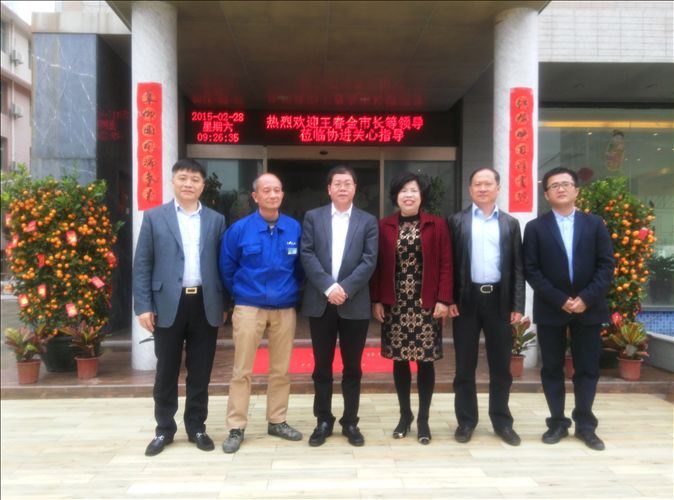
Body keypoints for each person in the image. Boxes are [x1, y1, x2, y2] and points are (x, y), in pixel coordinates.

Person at [133, 158, 227, 457]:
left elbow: (224, 265)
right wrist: (143, 306)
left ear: (203, 185)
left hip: (205, 303)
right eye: (183, 178)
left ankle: (197, 426)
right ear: (173, 181)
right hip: (166, 304)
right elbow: (142, 264)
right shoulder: (154, 217)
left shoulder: (216, 220)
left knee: (201, 371)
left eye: (195, 180)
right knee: (166, 370)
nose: (189, 184)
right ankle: (164, 428)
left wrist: (225, 303)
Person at [523, 167, 614, 451]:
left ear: (576, 190)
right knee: (551, 368)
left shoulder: (594, 224)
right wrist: (560, 299)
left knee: (587, 368)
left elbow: (606, 265)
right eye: (554, 186)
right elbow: (531, 269)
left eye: (565, 184)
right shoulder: (536, 228)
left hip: (589, 308)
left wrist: (586, 298)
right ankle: (557, 423)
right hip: (552, 307)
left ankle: (585, 425)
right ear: (546, 194)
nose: (560, 189)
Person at [218, 173, 304, 453]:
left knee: (281, 369)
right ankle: (236, 426)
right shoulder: (239, 230)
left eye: (277, 190)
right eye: (266, 190)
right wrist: (242, 294)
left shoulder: (293, 228)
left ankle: (277, 420)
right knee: (242, 370)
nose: (272, 194)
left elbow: (301, 269)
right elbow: (227, 269)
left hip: (284, 308)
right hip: (249, 307)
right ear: (255, 196)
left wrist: (290, 293)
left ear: (282, 194)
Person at [370, 172, 453, 445]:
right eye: (403, 190)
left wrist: (443, 299)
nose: (408, 195)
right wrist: (376, 299)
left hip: (426, 304)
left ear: (421, 195)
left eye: (414, 190)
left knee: (425, 362)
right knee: (400, 360)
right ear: (396, 196)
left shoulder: (436, 225)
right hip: (395, 304)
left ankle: (424, 419)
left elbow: (446, 263)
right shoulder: (384, 225)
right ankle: (405, 415)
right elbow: (377, 266)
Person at [300, 165, 378, 447]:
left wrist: (344, 289)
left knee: (352, 367)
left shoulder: (368, 221)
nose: (342, 187)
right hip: (321, 302)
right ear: (329, 189)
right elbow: (306, 254)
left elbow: (369, 260)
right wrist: (329, 287)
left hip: (353, 303)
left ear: (355, 188)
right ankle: (323, 420)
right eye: (337, 183)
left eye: (348, 183)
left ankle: (350, 421)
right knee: (322, 366)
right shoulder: (313, 217)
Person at [447, 167, 525, 447]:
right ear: (470, 190)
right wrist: (449, 299)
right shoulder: (456, 221)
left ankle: (502, 422)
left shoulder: (510, 224)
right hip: (466, 301)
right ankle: (466, 421)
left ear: (498, 188)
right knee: (464, 367)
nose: (482, 188)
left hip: (499, 302)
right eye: (477, 184)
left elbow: (518, 266)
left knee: (501, 367)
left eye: (488, 184)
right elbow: (449, 264)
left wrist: (517, 304)